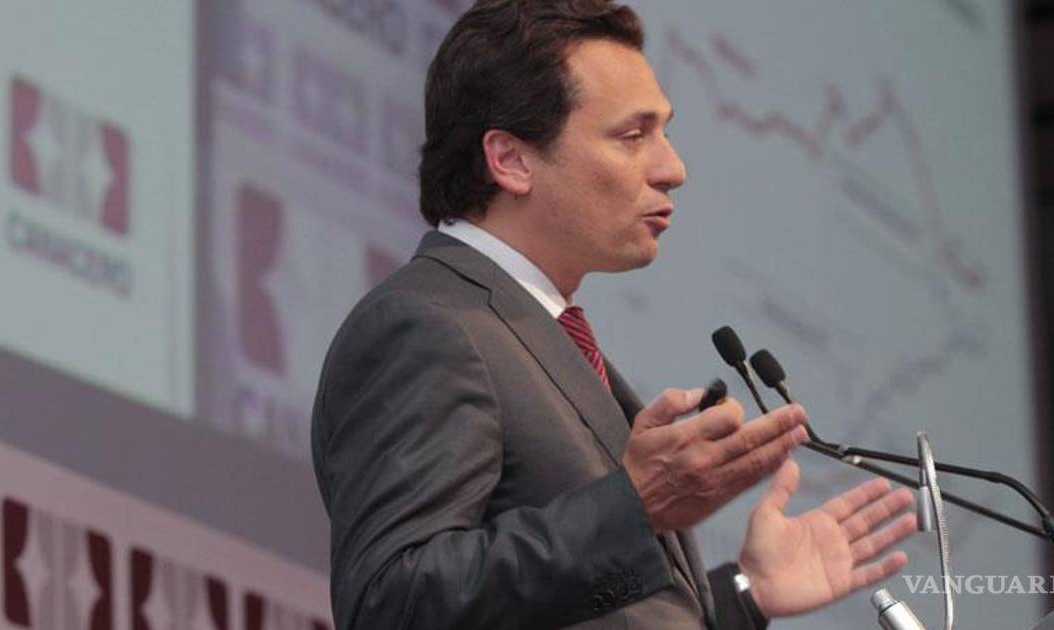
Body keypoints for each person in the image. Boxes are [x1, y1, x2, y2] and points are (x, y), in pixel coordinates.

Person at [310, 1, 918, 628]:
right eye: (633, 136)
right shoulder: (428, 324)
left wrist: (744, 594)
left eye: (665, 132)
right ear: (511, 160)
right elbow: (391, 603)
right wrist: (632, 507)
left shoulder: (537, 330)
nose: (673, 169)